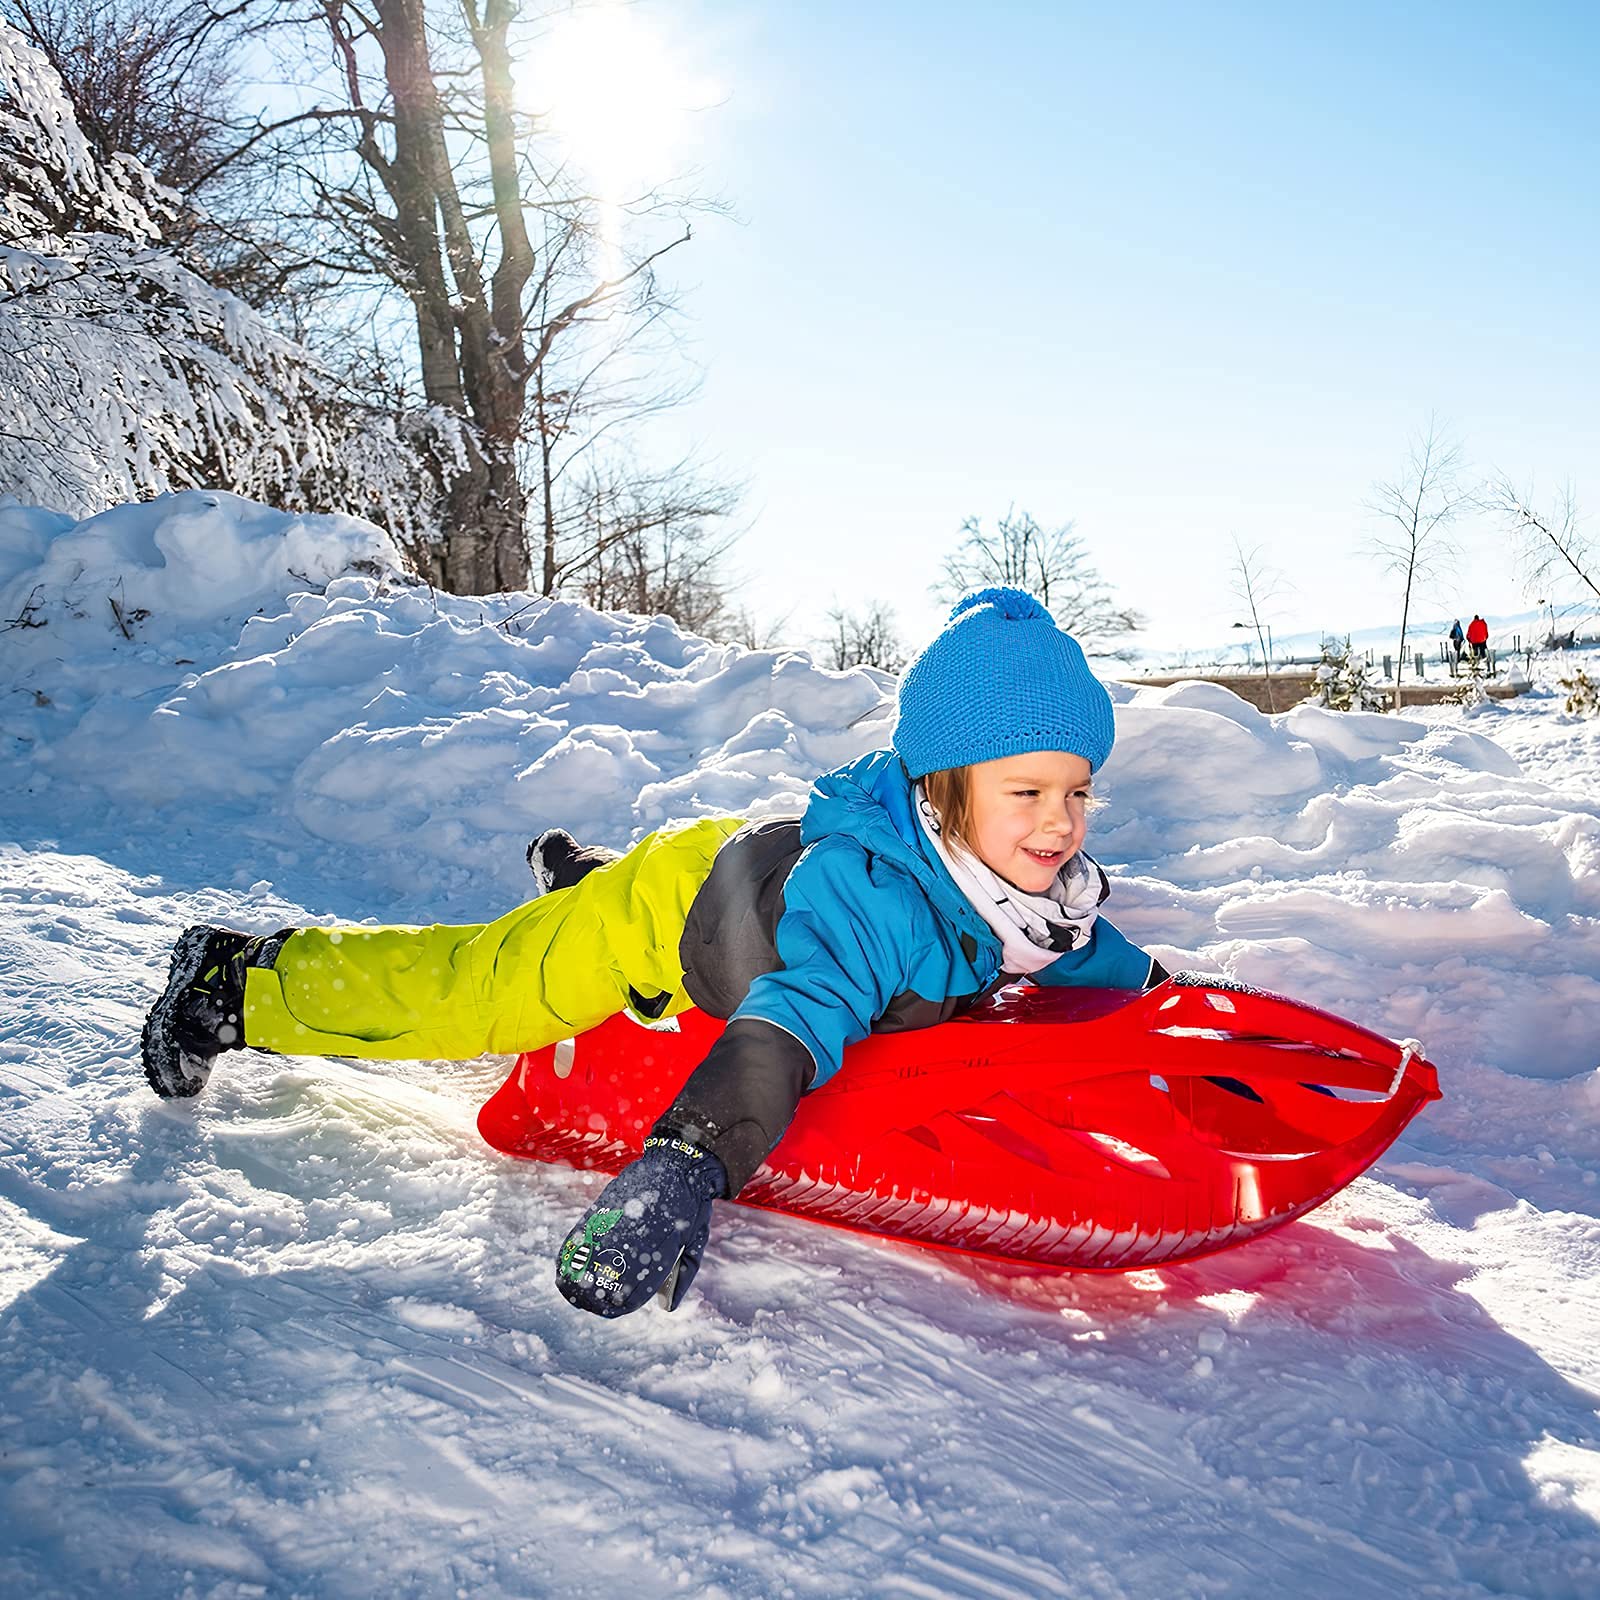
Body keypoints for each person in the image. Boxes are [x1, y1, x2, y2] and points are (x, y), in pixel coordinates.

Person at [140, 588, 1164, 1318]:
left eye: (1075, 790)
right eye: (1024, 793)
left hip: (742, 882)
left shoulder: (1031, 894)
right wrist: (681, 1164)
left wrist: (1195, 1018)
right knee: (482, 995)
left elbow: (1094, 965)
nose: (1059, 823)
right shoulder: (879, 900)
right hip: (667, 914)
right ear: (942, 789)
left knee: (668, 951)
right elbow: (792, 1022)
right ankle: (237, 980)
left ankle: (579, 877)